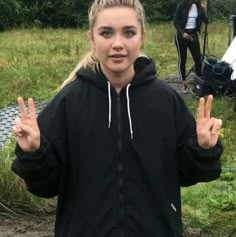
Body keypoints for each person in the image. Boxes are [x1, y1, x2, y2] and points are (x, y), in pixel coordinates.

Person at [12, 0, 223, 236]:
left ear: (142, 36)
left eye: (129, 32)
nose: (118, 44)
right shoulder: (69, 102)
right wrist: (34, 153)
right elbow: (45, 186)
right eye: (106, 33)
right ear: (91, 37)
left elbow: (188, 173)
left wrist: (202, 148)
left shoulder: (165, 101)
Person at [174, 0, 209, 94]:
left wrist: (204, 9)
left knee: (198, 58)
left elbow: (206, 21)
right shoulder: (182, 4)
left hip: (193, 35)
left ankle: (198, 82)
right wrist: (183, 33)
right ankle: (184, 84)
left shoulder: (198, 6)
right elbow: (176, 22)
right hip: (181, 36)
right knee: (182, 59)